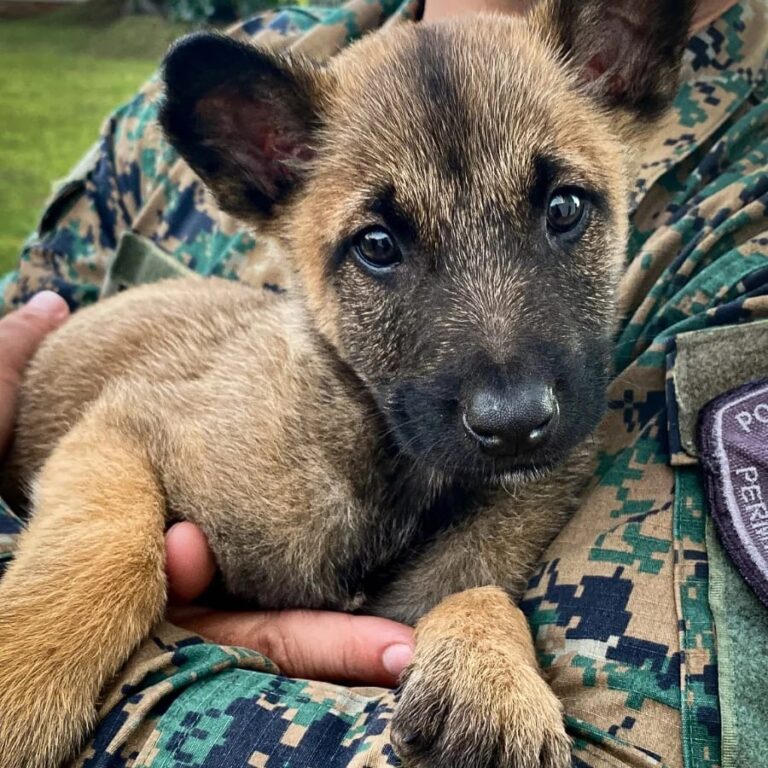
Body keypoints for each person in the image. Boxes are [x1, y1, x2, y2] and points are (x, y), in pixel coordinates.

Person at [0, 0, 766, 765]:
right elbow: (122, 434)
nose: (508, 400)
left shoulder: (741, 211)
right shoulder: (265, 456)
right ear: (269, 168)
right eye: (378, 244)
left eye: (562, 210)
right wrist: (70, 610)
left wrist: (477, 621)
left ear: (622, 69)